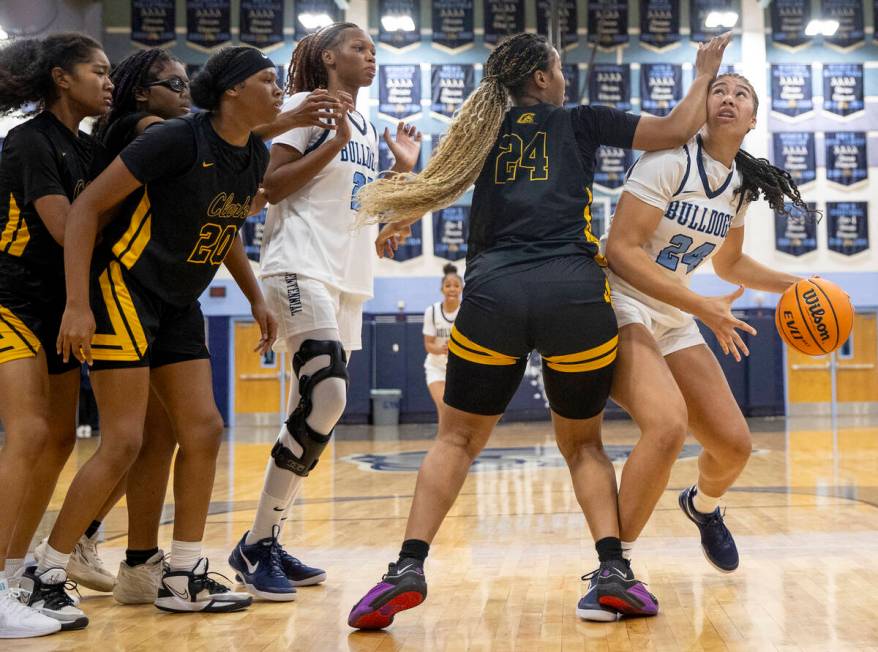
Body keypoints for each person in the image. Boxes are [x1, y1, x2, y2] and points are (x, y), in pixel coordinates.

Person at [347, 31, 731, 629]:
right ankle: (612, 570)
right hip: (574, 295)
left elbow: (437, 186)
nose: (565, 79)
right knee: (583, 446)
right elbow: (679, 129)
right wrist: (704, 70)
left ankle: (406, 566)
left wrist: (399, 221)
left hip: (493, 293)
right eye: (559, 69)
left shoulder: (478, 132)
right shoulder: (580, 120)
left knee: (455, 441)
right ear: (543, 80)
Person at [40, 45, 282, 622]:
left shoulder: (254, 152)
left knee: (202, 428)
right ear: (231, 91)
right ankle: (42, 572)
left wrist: (255, 295)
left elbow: (221, 225)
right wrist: (77, 303)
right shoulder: (175, 139)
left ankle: (180, 572)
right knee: (123, 440)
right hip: (125, 287)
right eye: (268, 80)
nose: (278, 91)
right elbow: (88, 208)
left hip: (178, 302)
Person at [593, 73, 814, 618]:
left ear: (754, 118)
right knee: (667, 426)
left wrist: (800, 286)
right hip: (617, 302)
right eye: (719, 91)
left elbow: (729, 264)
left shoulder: (740, 183)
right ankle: (613, 569)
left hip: (674, 310)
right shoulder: (669, 159)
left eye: (741, 94)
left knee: (734, 445)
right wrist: (703, 307)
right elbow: (621, 250)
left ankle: (703, 506)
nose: (728, 99)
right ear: (703, 104)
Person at [227, 21, 422, 602]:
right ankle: (258, 542)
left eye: (373, 49)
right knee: (330, 396)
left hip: (348, 275)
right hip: (299, 263)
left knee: (312, 408)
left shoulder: (362, 122)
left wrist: (401, 173)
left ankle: (264, 539)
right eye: (360, 47)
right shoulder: (304, 107)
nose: (371, 56)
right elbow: (271, 186)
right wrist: (333, 143)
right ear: (329, 56)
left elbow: (355, 198)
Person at [0, 32, 113, 636]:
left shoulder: (88, 150)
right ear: (61, 78)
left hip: (55, 308)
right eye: (96, 70)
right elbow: (68, 225)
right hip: (10, 298)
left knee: (61, 439)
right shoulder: (28, 141)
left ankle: (16, 576)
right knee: (30, 432)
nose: (108, 79)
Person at [422, 263, 462, 415]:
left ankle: (456, 438)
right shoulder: (431, 312)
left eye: (456, 285)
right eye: (448, 285)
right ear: (442, 289)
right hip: (436, 367)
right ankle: (446, 439)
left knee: (459, 411)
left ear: (461, 289)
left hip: (461, 368)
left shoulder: (466, 311)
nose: (452, 288)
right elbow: (428, 344)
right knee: (444, 407)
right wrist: (441, 349)